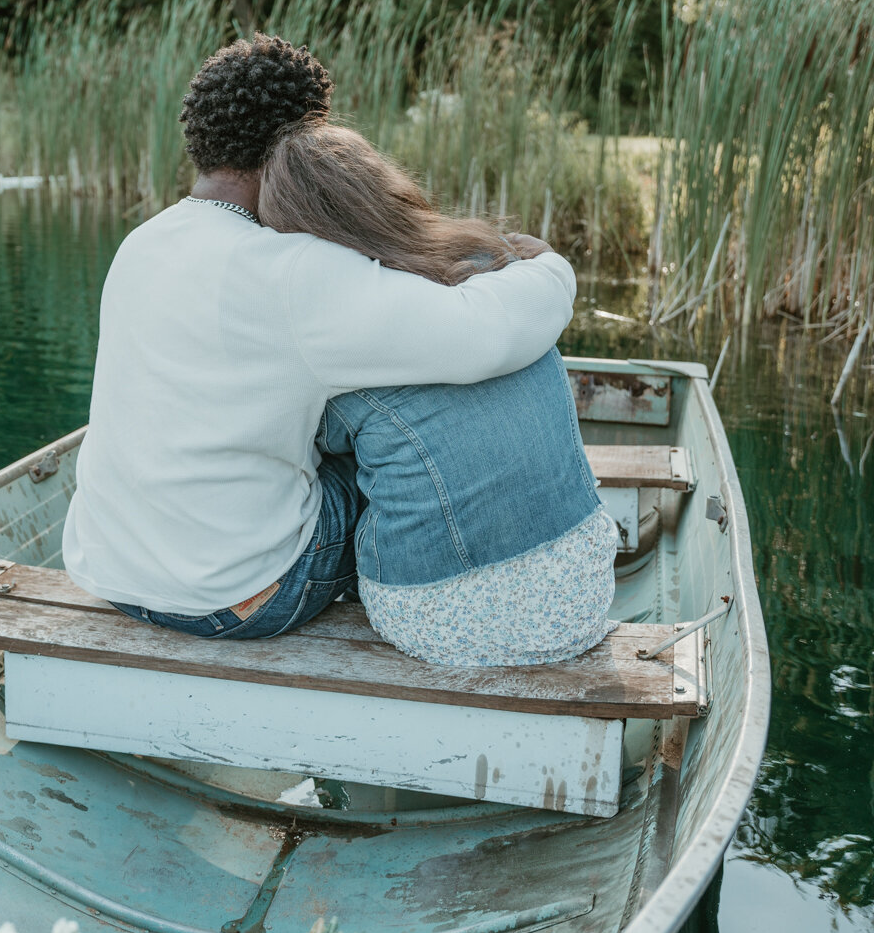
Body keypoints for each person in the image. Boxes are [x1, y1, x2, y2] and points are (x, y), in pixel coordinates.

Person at [62, 33, 578, 639]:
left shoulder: (142, 243)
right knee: (394, 426)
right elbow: (484, 335)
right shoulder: (290, 268)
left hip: (112, 572)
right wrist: (548, 267)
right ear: (308, 142)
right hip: (242, 596)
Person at [258, 120, 616, 666]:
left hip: (434, 619)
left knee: (324, 461)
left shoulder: (340, 328)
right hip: (580, 594)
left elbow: (300, 443)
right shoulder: (498, 263)